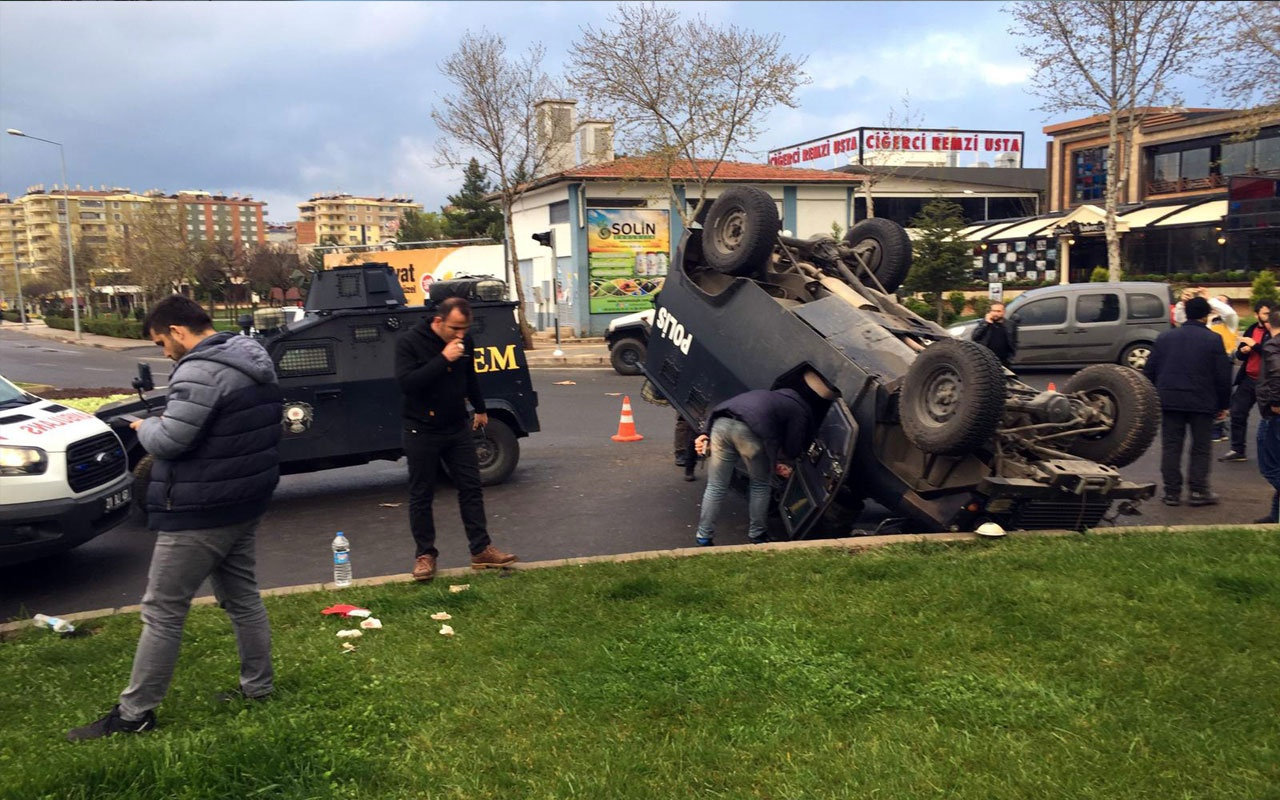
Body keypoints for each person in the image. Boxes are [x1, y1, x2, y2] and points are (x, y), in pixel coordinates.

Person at [68, 296, 283, 741]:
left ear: (179, 331)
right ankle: (259, 689)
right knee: (242, 597)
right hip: (243, 499)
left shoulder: (201, 369)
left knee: (163, 609)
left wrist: (143, 428)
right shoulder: (251, 357)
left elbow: (170, 441)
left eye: (162, 341)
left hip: (200, 509)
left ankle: (134, 715)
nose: (164, 352)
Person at [396, 296, 517, 582]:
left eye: (465, 329)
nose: (461, 335)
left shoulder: (465, 341)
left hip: (456, 426)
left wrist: (480, 407)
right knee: (422, 494)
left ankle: (481, 549)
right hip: (421, 428)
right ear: (438, 321)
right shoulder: (409, 342)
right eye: (455, 328)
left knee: (471, 487)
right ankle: (425, 555)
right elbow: (408, 384)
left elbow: (469, 375)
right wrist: (442, 359)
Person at [692, 372, 837, 546]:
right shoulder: (799, 409)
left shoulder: (764, 394)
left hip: (721, 425)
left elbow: (720, 408)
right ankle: (757, 535)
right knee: (760, 485)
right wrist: (783, 462)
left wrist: (704, 433)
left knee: (716, 485)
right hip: (749, 433)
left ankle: (704, 536)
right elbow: (792, 447)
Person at [1144, 296, 1233, 508]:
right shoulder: (1213, 340)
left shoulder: (1165, 338)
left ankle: (1171, 493)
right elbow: (1222, 376)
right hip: (1202, 401)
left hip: (1170, 400)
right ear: (1205, 316)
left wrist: (1154, 396)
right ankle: (1198, 491)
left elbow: (1150, 370)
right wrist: (1223, 404)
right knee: (1201, 447)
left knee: (1171, 446)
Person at [1220, 300, 1275, 462]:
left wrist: (1255, 346)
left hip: (1268, 382)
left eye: (1270, 313)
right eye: (1265, 313)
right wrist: (1243, 351)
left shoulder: (1274, 331)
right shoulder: (1251, 329)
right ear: (1256, 314)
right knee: (1237, 412)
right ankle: (1237, 449)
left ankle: (1272, 455)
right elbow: (1240, 355)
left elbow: (1273, 353)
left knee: (1270, 418)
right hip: (1249, 379)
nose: (1268, 317)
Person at [1253, 308, 1280, 524]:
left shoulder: (1273, 344)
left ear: (1269, 324)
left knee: (1269, 465)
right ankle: (1275, 515)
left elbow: (1277, 373)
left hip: (1275, 413)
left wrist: (1277, 403)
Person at [971, 301, 1018, 367]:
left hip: (1004, 360)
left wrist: (1011, 357)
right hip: (987, 359)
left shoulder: (1010, 324)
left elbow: (1013, 341)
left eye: (998, 311)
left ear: (1003, 312)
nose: (995, 314)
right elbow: (974, 337)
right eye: (993, 311)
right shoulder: (984, 323)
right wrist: (986, 323)